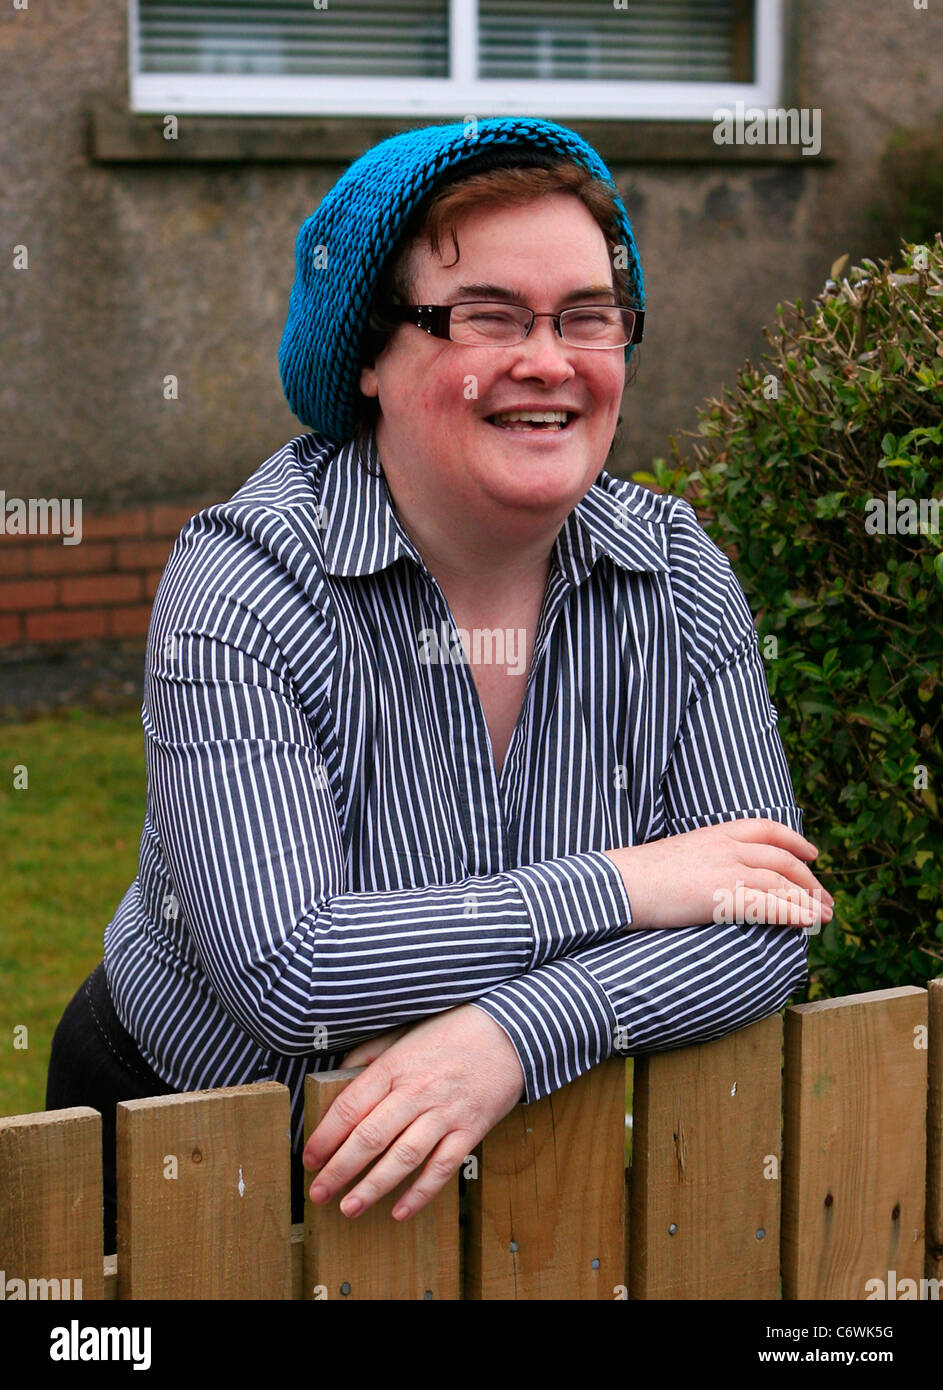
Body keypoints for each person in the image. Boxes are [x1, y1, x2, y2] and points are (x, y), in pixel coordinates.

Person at [46, 117, 832, 1252]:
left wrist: (510, 1033)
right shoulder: (245, 582)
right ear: (369, 353)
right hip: (194, 1143)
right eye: (488, 316)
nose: (549, 361)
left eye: (585, 316)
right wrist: (628, 884)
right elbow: (290, 968)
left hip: (517, 1140)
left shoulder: (674, 573)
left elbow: (768, 918)